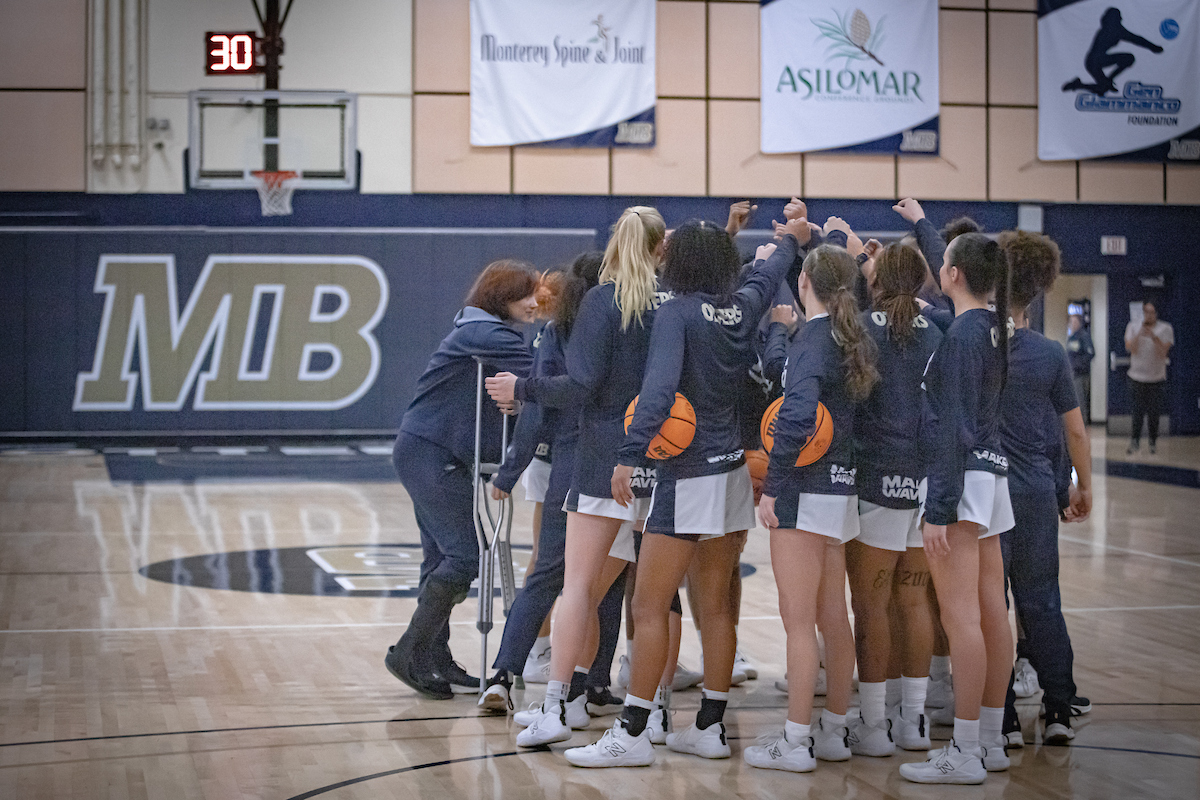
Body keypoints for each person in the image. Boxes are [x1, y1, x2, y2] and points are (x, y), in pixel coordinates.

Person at [565, 216, 810, 768]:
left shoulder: (675, 314)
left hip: (689, 472)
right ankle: (709, 727)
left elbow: (657, 391)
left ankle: (629, 735)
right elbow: (768, 271)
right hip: (731, 473)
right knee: (716, 607)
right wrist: (793, 238)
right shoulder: (742, 305)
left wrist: (628, 455)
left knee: (649, 604)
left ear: (678, 264)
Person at [485, 206, 671, 749]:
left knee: (578, 587)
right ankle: (650, 714)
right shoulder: (678, 306)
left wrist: (521, 390)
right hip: (665, 459)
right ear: (661, 249)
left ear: (616, 244)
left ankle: (557, 706)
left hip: (603, 458)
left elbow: (583, 383)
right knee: (657, 600)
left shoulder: (601, 301)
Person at [746, 239, 879, 774]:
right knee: (833, 618)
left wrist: (775, 485)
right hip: (841, 488)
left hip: (802, 490)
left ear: (804, 284)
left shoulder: (812, 341)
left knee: (799, 623)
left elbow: (796, 415)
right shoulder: (851, 339)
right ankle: (833, 732)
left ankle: (795, 741)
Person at [477, 253, 627, 720]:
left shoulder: (560, 331)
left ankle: (506, 673)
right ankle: (591, 683)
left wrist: (510, 469)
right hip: (628, 460)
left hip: (572, 459)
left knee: (553, 574)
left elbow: (539, 406)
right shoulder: (630, 321)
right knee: (612, 581)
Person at [384, 260, 539, 700]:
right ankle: (408, 652)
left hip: (426, 450)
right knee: (465, 555)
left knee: (439, 559)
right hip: (430, 454)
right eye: (524, 294)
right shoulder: (486, 334)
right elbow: (544, 377)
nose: (533, 303)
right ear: (500, 299)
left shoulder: (479, 328)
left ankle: (436, 658)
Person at [899, 233, 1013, 785]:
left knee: (962, 616)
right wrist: (926, 226)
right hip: (992, 475)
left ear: (953, 276)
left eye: (942, 264)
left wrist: (938, 508)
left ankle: (965, 749)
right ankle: (990, 739)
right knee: (992, 610)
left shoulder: (965, 337)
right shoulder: (991, 325)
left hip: (961, 480)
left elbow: (951, 426)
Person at [995, 231, 1093, 747]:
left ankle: (1005, 718)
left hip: (986, 492)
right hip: (1034, 490)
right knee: (1042, 603)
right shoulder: (1051, 353)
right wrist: (1080, 489)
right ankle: (1058, 707)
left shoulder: (972, 342)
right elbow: (1072, 431)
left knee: (994, 605)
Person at [845, 243, 943, 757]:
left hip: (877, 481)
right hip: (928, 485)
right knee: (913, 601)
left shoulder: (860, 327)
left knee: (871, 606)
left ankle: (874, 725)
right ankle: (915, 722)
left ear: (875, 278)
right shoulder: (941, 329)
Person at [1124, 300, 1173, 455]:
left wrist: (1154, 337)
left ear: (1156, 314)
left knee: (1154, 412)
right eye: (1146, 312)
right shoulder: (1132, 326)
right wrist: (1140, 332)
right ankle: (1135, 441)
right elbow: (1131, 348)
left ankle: (1152, 441)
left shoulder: (1165, 328)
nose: (1148, 315)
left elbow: (1163, 352)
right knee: (1137, 412)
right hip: (1136, 377)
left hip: (1156, 378)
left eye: (1152, 312)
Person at [1066, 314, 1095, 426]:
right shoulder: (1071, 337)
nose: (1072, 324)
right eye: (1071, 322)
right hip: (1072, 374)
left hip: (1081, 375)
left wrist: (1078, 365)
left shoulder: (1084, 336)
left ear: (1079, 323)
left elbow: (1091, 354)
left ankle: (1082, 425)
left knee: (1081, 401)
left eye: (1074, 322)